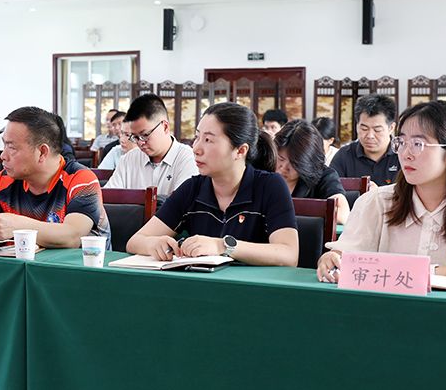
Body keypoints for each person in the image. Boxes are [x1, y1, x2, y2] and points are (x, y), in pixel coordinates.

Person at [318, 100, 446, 282]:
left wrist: (435, 273)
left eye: (417, 144)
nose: (405, 154)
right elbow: (344, 254)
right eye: (401, 142)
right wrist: (332, 258)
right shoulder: (377, 202)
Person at [126, 102, 298, 266]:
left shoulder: (270, 186)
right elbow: (135, 241)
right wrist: (154, 244)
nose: (196, 148)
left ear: (240, 150)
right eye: (197, 137)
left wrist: (222, 246)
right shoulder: (192, 188)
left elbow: (289, 254)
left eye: (208, 140)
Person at [0, 106, 110, 248]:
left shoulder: (80, 179)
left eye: (12, 147)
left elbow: (72, 236)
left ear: (42, 152)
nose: (3, 156)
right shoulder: (2, 180)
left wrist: (16, 225)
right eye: (4, 145)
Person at [104, 94, 198, 196]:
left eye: (145, 135)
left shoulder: (188, 159)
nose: (140, 143)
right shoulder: (128, 160)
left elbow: (182, 203)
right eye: (135, 137)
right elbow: (108, 198)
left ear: (165, 127)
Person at [274, 120, 350, 224]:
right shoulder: (264, 170)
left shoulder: (324, 176)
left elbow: (342, 215)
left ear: (308, 162)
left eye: (293, 163)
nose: (283, 167)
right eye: (280, 159)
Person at [330, 94, 400, 187]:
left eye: (377, 130)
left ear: (391, 128)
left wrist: (379, 193)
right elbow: (331, 190)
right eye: (364, 129)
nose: (370, 136)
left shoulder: (402, 155)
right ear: (356, 126)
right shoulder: (344, 156)